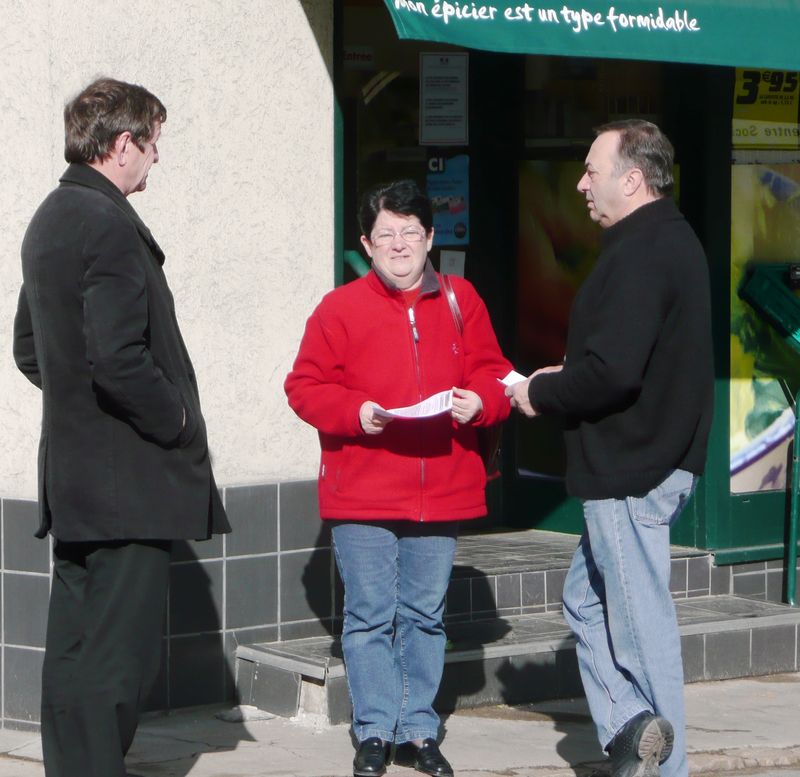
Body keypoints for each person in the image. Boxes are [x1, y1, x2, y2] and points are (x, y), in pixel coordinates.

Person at [13, 77, 231, 777]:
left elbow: (29, 347)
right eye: (154, 143)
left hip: (77, 480)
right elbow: (116, 356)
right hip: (126, 482)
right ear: (122, 144)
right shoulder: (105, 222)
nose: (156, 160)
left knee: (75, 654)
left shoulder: (52, 215)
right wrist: (175, 416)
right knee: (115, 663)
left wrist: (79, 404)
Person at [506, 120, 713, 777]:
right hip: (640, 465)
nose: (580, 183)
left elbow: (612, 371)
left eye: (591, 170)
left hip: (632, 471)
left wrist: (543, 389)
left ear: (631, 178)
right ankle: (634, 732)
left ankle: (663, 763)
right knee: (584, 604)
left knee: (638, 628)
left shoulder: (646, 250)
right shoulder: (658, 241)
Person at [285, 179, 511, 777]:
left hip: (441, 487)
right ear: (367, 242)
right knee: (367, 615)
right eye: (386, 234)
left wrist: (480, 402)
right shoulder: (340, 308)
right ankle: (375, 732)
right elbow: (304, 387)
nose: (400, 244)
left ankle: (419, 730)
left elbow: (498, 375)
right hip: (362, 490)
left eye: (411, 232)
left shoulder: (464, 301)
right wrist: (354, 412)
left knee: (424, 615)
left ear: (431, 237)